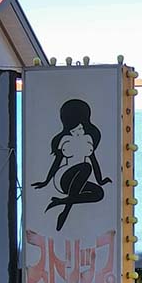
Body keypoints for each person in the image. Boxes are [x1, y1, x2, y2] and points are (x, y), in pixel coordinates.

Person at [31, 98, 113, 232]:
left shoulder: (88, 139)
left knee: (99, 193)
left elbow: (94, 160)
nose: (79, 128)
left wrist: (101, 180)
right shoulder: (65, 140)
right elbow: (57, 162)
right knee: (86, 167)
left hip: (80, 178)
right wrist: (46, 181)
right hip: (63, 178)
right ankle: (65, 207)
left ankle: (62, 203)